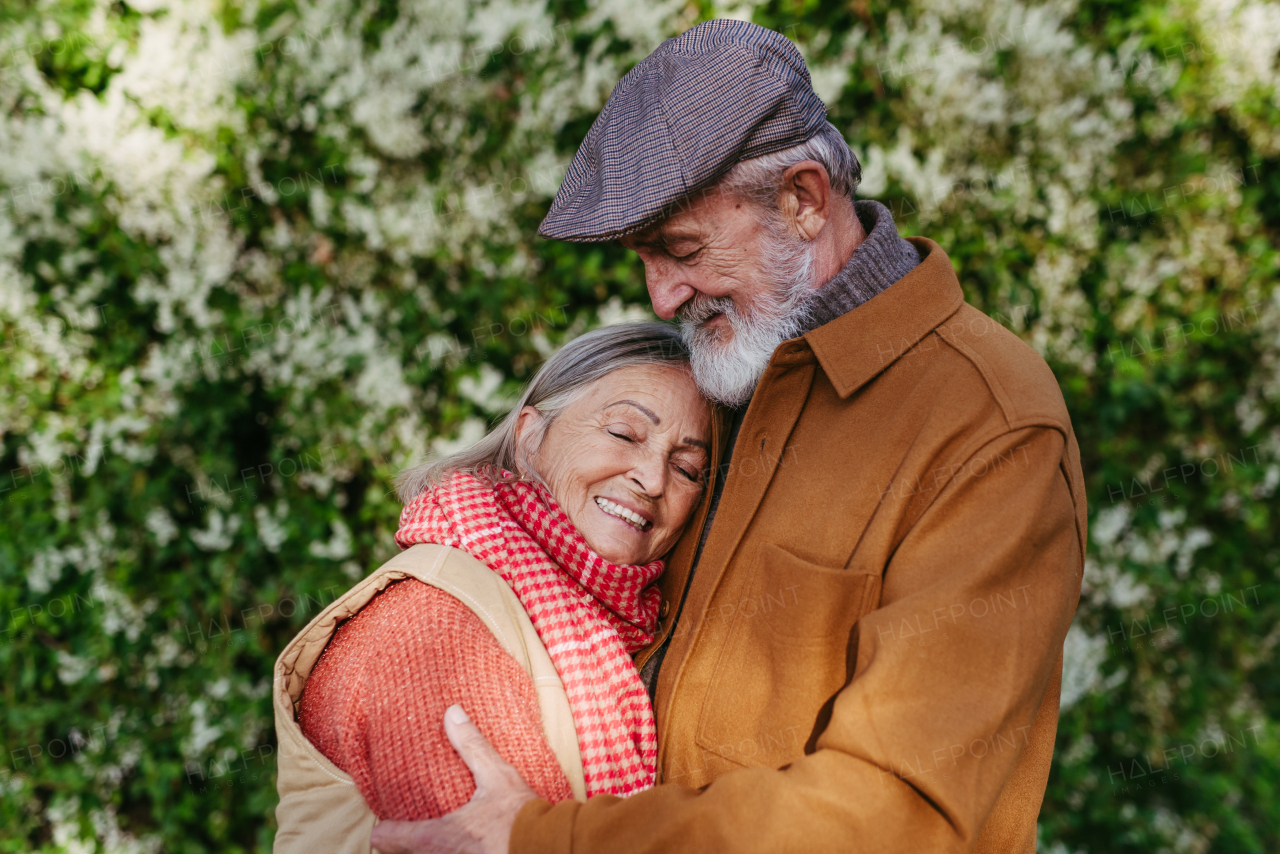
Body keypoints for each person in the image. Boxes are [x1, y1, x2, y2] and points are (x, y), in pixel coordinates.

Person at [370, 18, 1089, 854]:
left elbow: (900, 814)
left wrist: (549, 840)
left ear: (804, 199)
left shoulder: (989, 426)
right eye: (645, 258)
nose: (664, 297)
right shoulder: (722, 374)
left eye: (681, 249)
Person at [270, 323, 712, 853]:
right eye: (623, 433)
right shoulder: (432, 629)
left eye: (687, 467)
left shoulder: (604, 630)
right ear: (529, 437)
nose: (654, 479)